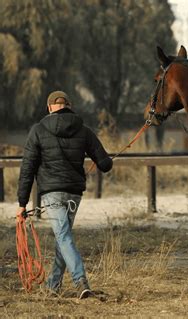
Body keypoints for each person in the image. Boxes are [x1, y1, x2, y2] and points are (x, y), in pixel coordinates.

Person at [16, 90, 113, 299]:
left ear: (50, 107)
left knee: (63, 236)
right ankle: (53, 286)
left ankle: (81, 282)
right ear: (69, 105)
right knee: (64, 236)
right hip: (74, 194)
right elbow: (105, 164)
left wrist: (22, 203)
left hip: (52, 193)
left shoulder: (38, 130)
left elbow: (27, 168)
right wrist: (105, 159)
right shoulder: (84, 130)